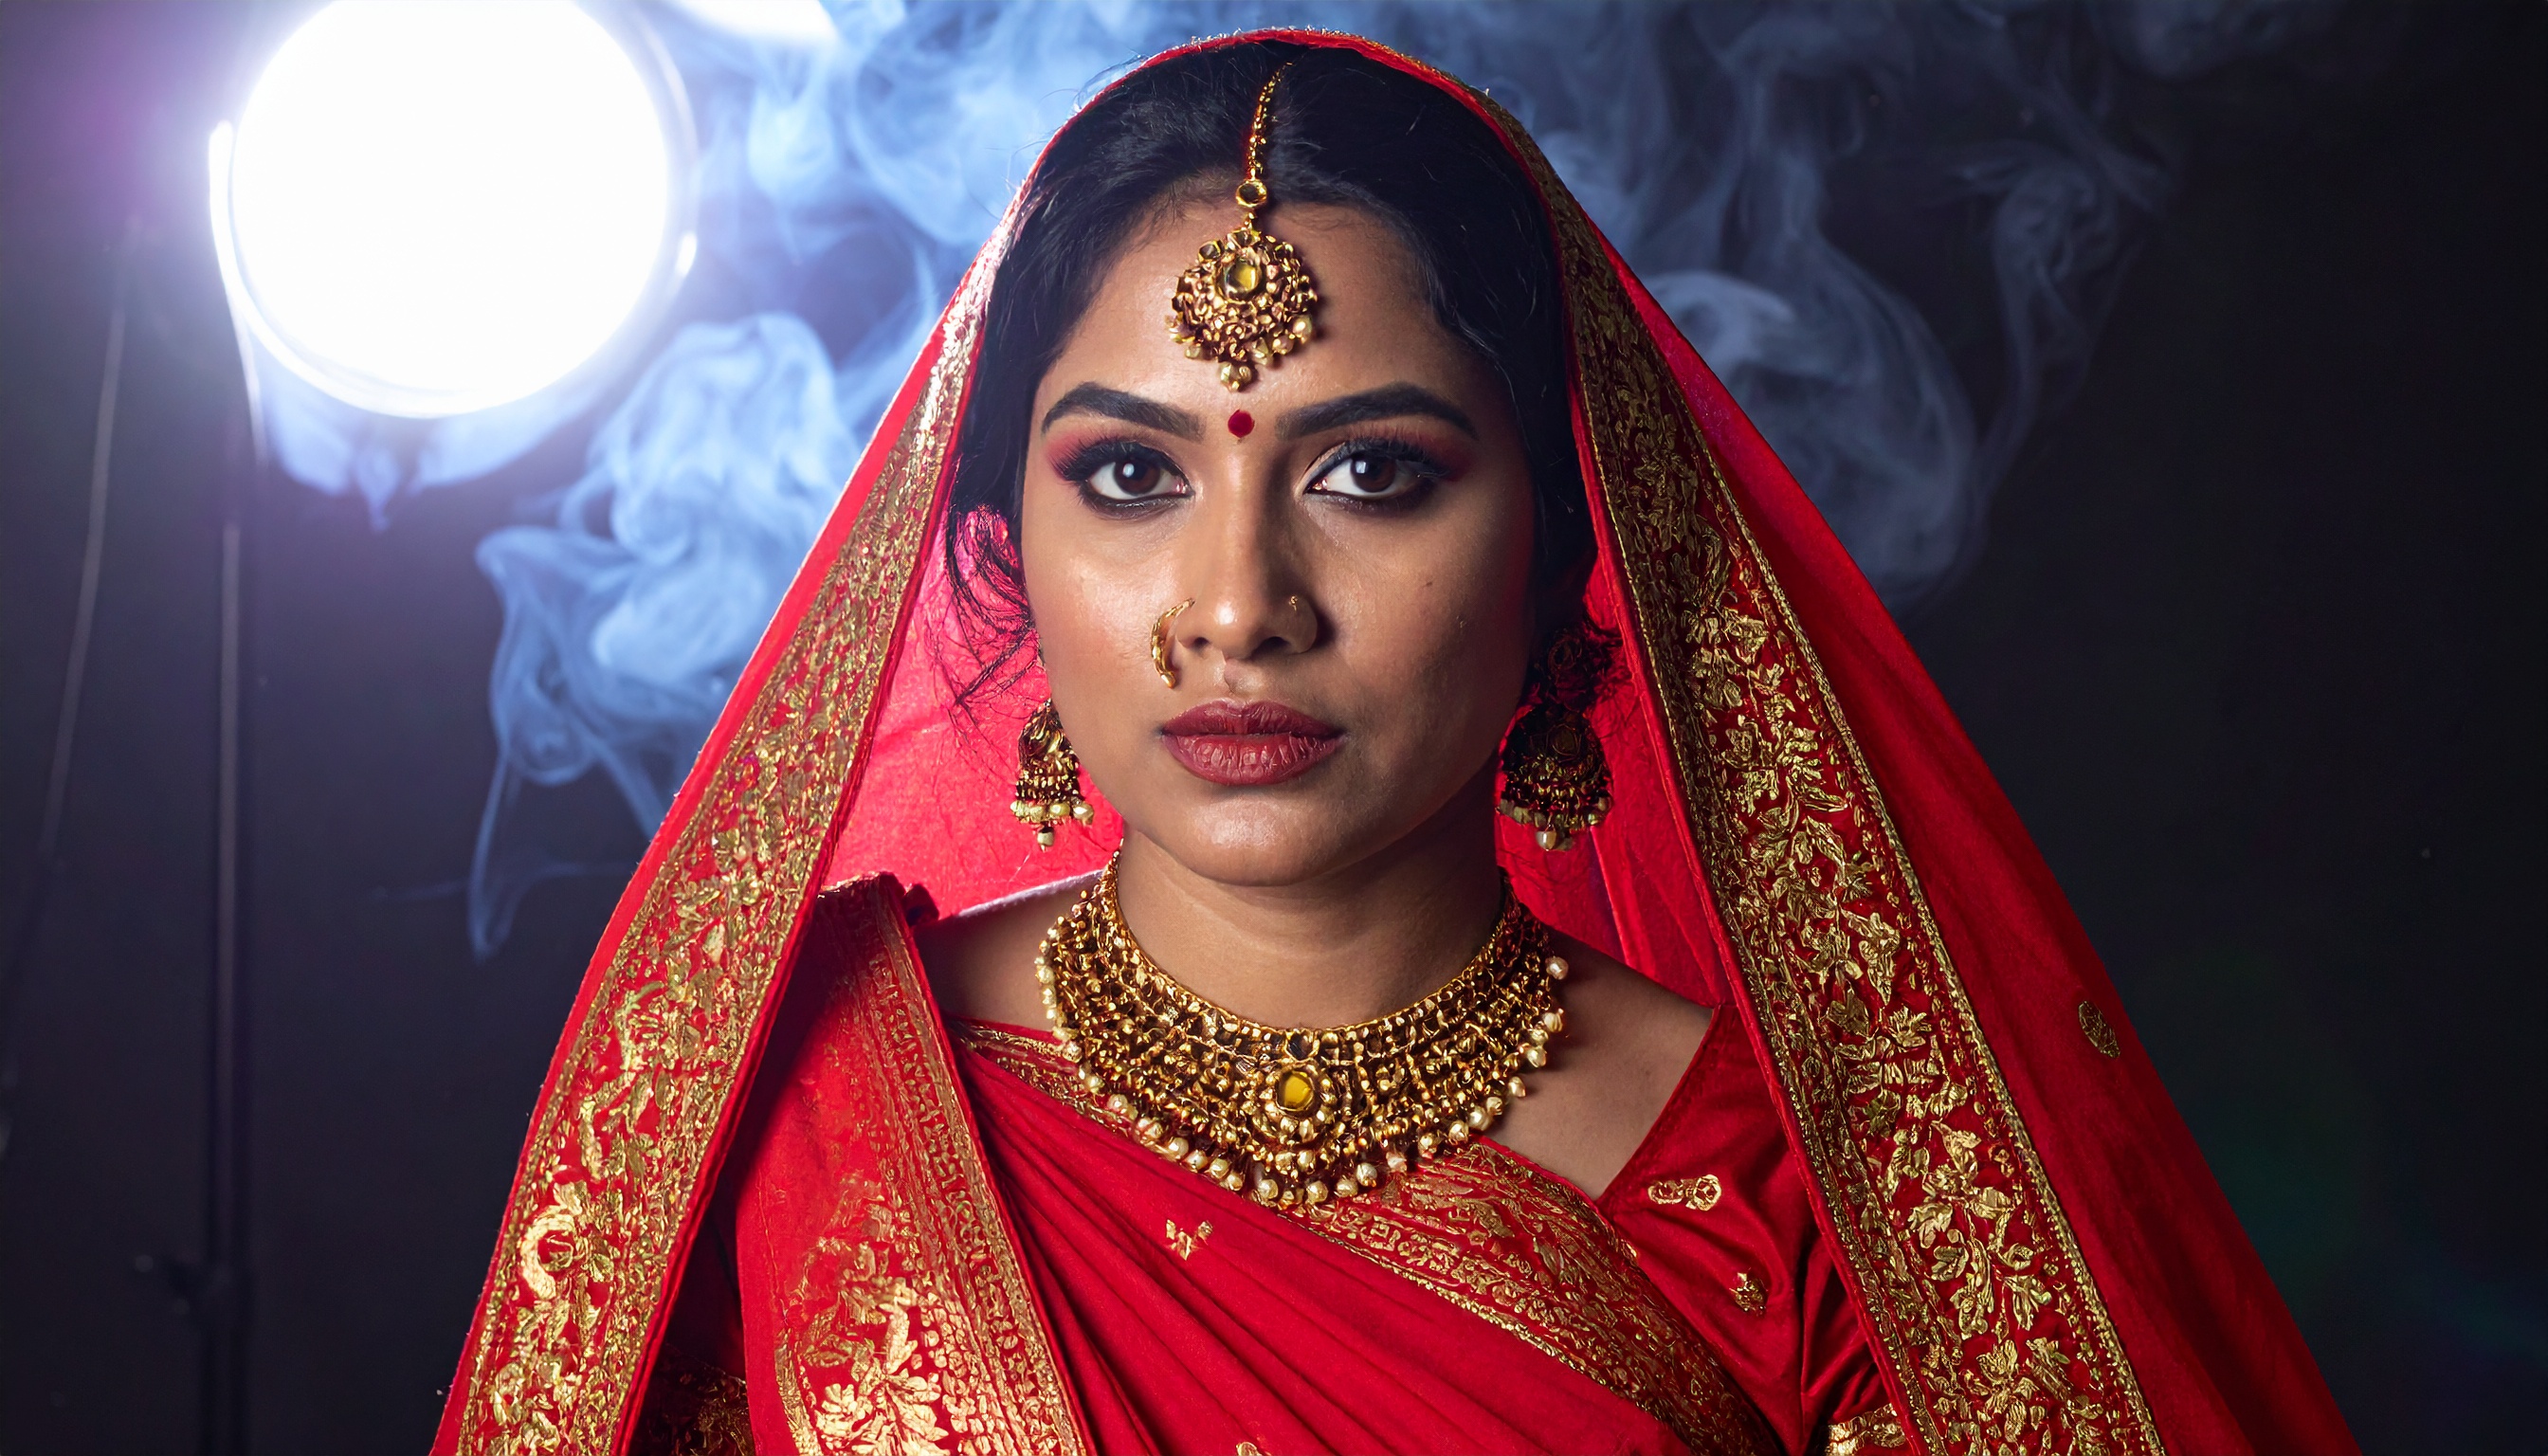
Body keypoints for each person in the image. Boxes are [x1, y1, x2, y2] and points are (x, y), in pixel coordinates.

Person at [431, 33, 2355, 1456]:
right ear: (1000, 552)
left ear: (1562, 552)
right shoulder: (805, 1099)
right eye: (1129, 472)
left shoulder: (1824, 1214)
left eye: (1372, 472)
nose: (1237, 601)